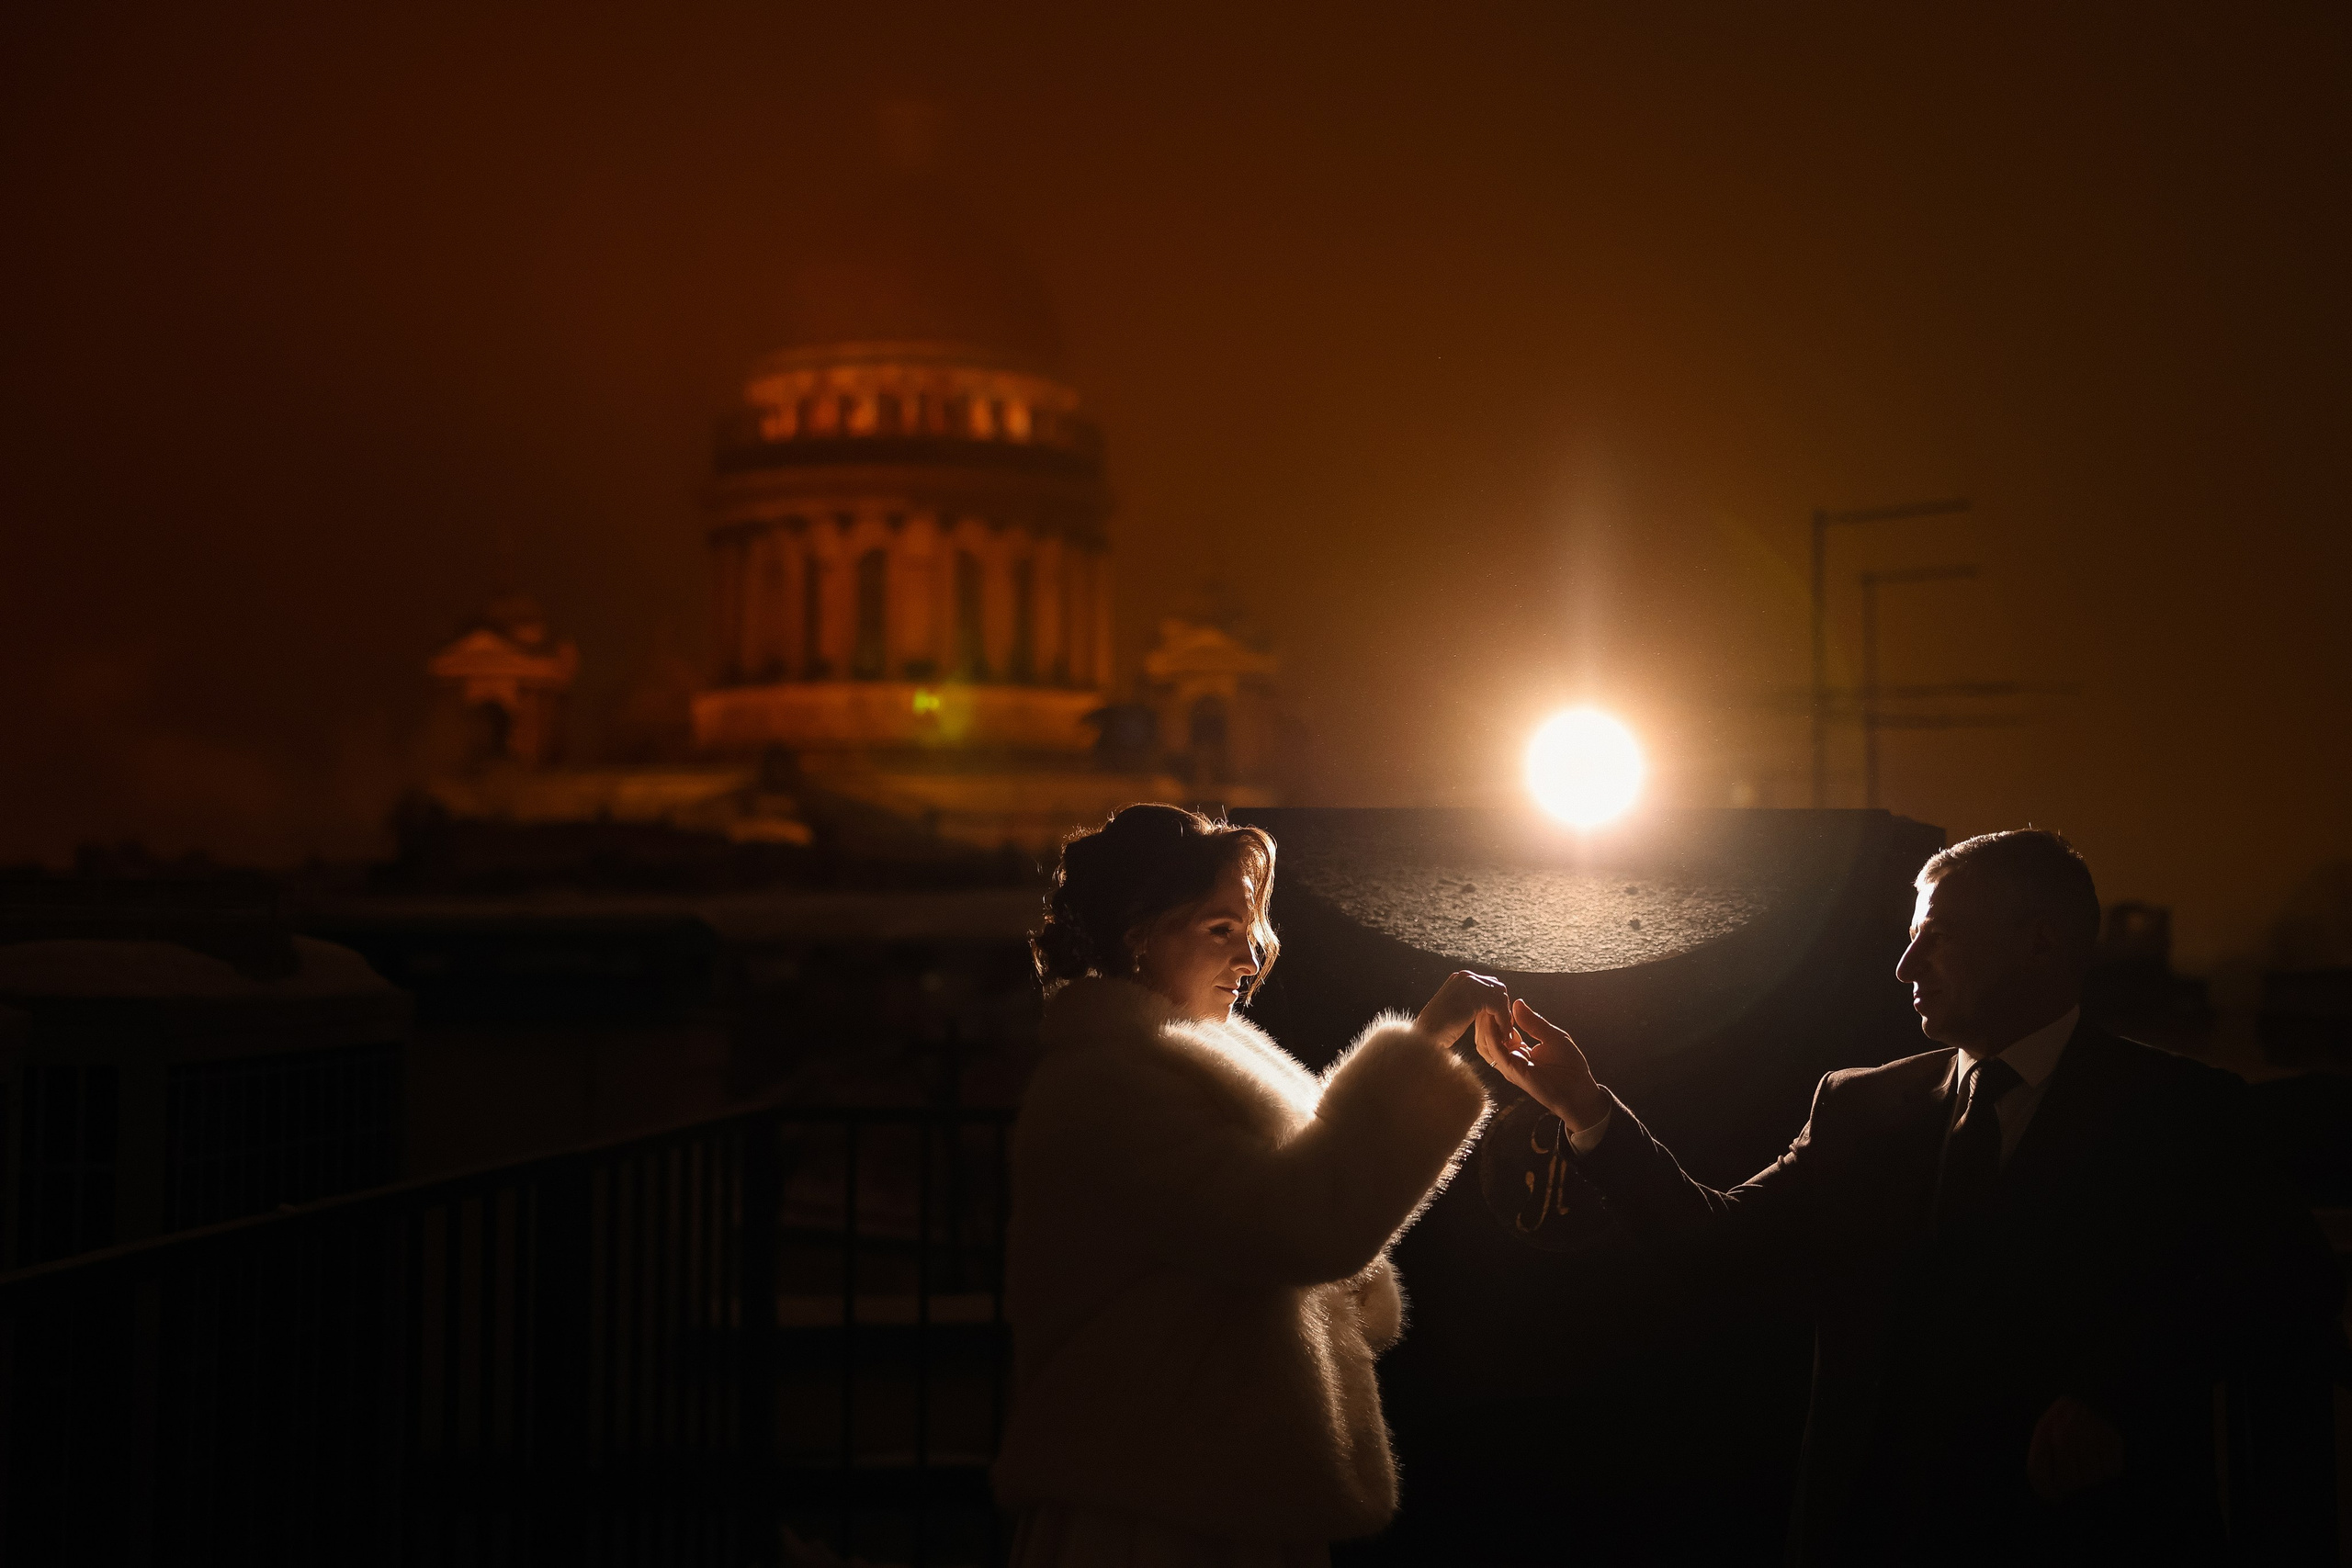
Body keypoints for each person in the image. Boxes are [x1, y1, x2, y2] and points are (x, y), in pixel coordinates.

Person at [1476, 829, 2342, 1565]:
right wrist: (1584, 1103)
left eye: (1937, 936)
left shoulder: (2183, 1112)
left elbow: (2291, 1290)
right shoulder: (1859, 1106)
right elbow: (1716, 1244)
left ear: (2040, 943)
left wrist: (2121, 1390)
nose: (1903, 965)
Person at [993, 804, 1503, 1567]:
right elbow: (1304, 1223)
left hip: (1196, 1493)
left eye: (1250, 927)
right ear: (1137, 934)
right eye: (1219, 929)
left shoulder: (1165, 1069)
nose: (1251, 956)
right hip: (1155, 1520)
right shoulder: (1112, 1085)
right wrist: (1427, 1041)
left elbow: (1305, 1226)